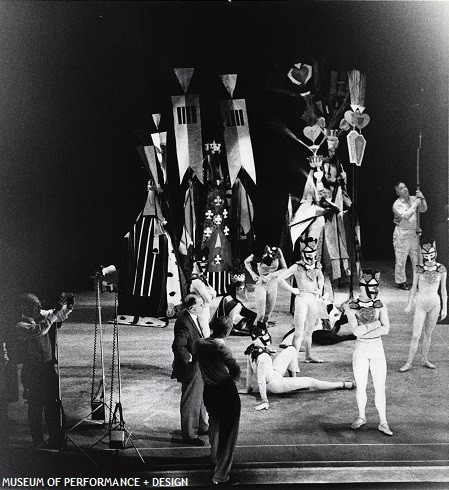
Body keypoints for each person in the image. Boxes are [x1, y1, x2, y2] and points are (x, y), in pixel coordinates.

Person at [240, 323, 355, 411]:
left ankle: (293, 378)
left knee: (291, 349)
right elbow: (260, 381)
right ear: (256, 338)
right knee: (311, 381)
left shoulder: (251, 349)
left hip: (274, 373)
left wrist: (248, 387)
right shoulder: (262, 357)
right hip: (275, 384)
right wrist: (264, 401)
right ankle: (341, 385)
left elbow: (249, 370)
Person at [16, 292, 74, 449]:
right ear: (26, 308)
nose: (39, 308)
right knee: (35, 406)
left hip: (47, 368)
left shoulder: (39, 315)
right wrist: (54, 313)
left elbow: (58, 316)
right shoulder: (21, 325)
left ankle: (55, 440)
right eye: (36, 306)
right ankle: (38, 442)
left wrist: (67, 306)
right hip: (33, 371)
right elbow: (40, 330)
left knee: (52, 405)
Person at [343, 269, 393, 436]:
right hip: (361, 350)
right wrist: (375, 324)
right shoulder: (351, 306)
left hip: (377, 349)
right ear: (362, 287)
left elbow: (386, 329)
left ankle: (383, 421)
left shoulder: (380, 304)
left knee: (380, 388)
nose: (374, 291)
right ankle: (361, 416)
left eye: (375, 287)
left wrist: (366, 330)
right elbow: (355, 331)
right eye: (370, 287)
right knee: (361, 386)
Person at [196, 317, 241, 486]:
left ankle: (214, 456)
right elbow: (236, 370)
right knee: (228, 434)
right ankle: (221, 476)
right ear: (227, 332)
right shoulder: (221, 348)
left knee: (214, 424)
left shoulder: (199, 343)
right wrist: (231, 381)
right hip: (225, 391)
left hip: (209, 391)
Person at [400, 240, 447, 372]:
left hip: (435, 304)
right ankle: (409, 362)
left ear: (435, 253)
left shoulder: (441, 269)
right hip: (421, 303)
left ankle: (424, 359)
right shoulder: (419, 268)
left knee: (428, 333)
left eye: (431, 254)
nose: (429, 257)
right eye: (426, 255)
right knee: (416, 335)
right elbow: (413, 287)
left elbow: (443, 290)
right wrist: (409, 304)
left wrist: (445, 308)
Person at [277, 237, 325, 362]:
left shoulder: (317, 266)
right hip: (301, 298)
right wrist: (293, 290)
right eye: (308, 254)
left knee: (309, 330)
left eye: (313, 253)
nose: (311, 257)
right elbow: (280, 279)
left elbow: (321, 278)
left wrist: (320, 288)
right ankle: (293, 360)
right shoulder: (296, 267)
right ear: (303, 254)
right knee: (299, 332)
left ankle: (308, 356)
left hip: (313, 299)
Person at [171, 293, 209, 446]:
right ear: (192, 308)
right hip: (191, 368)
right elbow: (178, 345)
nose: (203, 306)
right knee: (191, 401)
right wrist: (189, 358)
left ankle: (201, 426)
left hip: (198, 366)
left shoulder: (190, 317)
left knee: (198, 398)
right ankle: (190, 435)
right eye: (200, 305)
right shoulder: (184, 322)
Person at [392, 181, 427, 290]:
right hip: (402, 233)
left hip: (414, 233)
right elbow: (406, 215)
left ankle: (418, 280)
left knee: (417, 258)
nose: (405, 189)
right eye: (401, 188)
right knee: (401, 259)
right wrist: (416, 204)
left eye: (405, 187)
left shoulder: (413, 198)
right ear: (397, 191)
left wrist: (422, 198)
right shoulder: (397, 204)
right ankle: (400, 281)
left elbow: (423, 209)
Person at [244, 245, 287, 325]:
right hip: (261, 283)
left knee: (267, 314)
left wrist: (271, 275)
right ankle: (255, 331)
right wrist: (252, 274)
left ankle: (263, 331)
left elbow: (284, 268)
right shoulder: (258, 249)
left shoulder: (277, 251)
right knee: (261, 314)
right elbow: (246, 262)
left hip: (273, 283)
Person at [189, 260, 217, 338]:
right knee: (204, 328)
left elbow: (214, 292)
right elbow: (208, 298)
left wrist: (211, 294)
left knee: (204, 327)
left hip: (204, 307)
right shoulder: (197, 281)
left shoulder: (202, 279)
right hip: (200, 307)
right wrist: (211, 295)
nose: (203, 268)